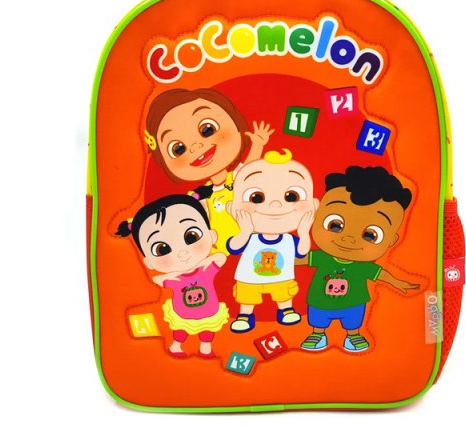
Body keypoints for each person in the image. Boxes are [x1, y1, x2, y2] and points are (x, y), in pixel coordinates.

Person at [298, 166, 420, 353]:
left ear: (391, 241)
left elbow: (381, 274)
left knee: (353, 319)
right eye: (335, 225)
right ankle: (317, 334)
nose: (348, 239)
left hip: (353, 302)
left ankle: (353, 335)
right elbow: (301, 259)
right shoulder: (322, 257)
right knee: (318, 317)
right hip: (320, 301)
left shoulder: (363, 267)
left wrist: (397, 283)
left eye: (370, 235)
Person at [144, 88, 274, 254]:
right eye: (178, 149)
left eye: (207, 130)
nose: (196, 147)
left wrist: (257, 145)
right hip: (221, 251)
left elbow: (248, 167)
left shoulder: (237, 178)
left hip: (255, 243)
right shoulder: (200, 196)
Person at [116, 194, 229, 358]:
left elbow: (220, 257)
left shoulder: (206, 270)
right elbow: (157, 279)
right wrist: (177, 274)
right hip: (183, 313)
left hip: (208, 311)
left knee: (207, 331)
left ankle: (205, 348)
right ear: (149, 262)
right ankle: (176, 346)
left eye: (191, 236)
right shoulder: (179, 278)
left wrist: (199, 264)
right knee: (180, 331)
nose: (182, 253)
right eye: (162, 249)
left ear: (211, 235)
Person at [225, 149, 318, 333]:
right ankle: (245, 316)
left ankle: (286, 310)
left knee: (283, 292)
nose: (275, 205)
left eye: (291, 197)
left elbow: (302, 251)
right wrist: (245, 231)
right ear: (231, 208)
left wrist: (304, 232)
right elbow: (233, 247)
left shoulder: (288, 239)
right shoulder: (249, 237)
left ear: (314, 205)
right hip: (249, 278)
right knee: (247, 295)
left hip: (281, 277)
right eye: (256, 198)